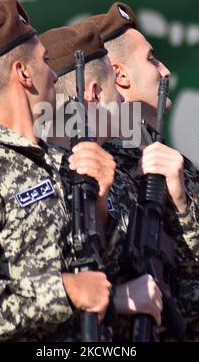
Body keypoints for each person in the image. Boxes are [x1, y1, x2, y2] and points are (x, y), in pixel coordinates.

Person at [0, 0, 114, 342]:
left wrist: (102, 207)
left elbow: (103, 280)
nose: (53, 74)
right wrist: (64, 291)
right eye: (46, 62)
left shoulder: (63, 162)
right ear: (23, 73)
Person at [76, 2, 199, 341]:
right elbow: (112, 282)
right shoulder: (94, 165)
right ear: (120, 75)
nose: (166, 70)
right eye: (152, 59)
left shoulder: (171, 161)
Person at [40, 21, 164, 335]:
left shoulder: (119, 176)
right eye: (114, 90)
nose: (123, 101)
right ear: (93, 92)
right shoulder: (41, 178)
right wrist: (113, 300)